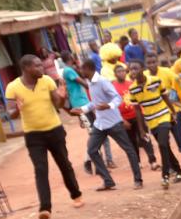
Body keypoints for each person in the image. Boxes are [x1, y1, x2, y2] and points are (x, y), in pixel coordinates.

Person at [5, 55, 83, 219]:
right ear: (27, 68)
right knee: (40, 170)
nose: (42, 69)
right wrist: (17, 109)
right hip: (33, 135)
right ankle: (45, 208)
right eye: (38, 66)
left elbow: (57, 105)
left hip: (54, 130)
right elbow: (10, 113)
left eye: (41, 65)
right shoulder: (13, 87)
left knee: (64, 164)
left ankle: (76, 194)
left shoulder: (47, 80)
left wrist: (62, 97)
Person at [76, 59, 143, 191]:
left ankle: (138, 180)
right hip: (100, 124)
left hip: (114, 123)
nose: (80, 71)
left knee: (129, 149)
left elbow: (117, 98)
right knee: (92, 150)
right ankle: (108, 181)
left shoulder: (102, 81)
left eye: (82, 69)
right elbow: (95, 103)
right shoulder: (89, 82)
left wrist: (108, 105)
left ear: (89, 69)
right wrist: (82, 110)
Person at [128, 59, 181, 189]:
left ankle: (165, 175)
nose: (133, 71)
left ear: (142, 69)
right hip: (151, 121)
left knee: (162, 144)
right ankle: (179, 171)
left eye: (135, 68)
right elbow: (137, 110)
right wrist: (141, 130)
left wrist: (173, 112)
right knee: (165, 147)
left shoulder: (155, 80)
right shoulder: (133, 89)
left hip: (164, 116)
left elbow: (165, 97)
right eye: (131, 69)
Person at [61, 52, 115, 173]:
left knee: (96, 132)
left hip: (83, 104)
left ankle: (94, 162)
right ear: (71, 57)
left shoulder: (69, 70)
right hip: (81, 105)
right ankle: (94, 164)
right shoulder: (68, 71)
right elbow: (84, 83)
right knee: (96, 134)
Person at [145, 51, 181, 175]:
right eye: (148, 63)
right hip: (158, 116)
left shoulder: (166, 72)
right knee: (164, 143)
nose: (151, 65)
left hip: (173, 112)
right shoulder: (145, 77)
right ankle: (173, 166)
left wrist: (174, 97)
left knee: (179, 138)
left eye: (153, 62)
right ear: (146, 64)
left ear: (157, 62)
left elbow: (179, 82)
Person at [111, 64, 159, 171]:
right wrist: (122, 120)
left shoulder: (131, 84)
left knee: (145, 137)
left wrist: (143, 114)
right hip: (124, 119)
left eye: (123, 71)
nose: (122, 73)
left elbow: (139, 100)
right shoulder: (112, 87)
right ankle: (137, 162)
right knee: (132, 141)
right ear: (115, 74)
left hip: (137, 116)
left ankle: (153, 161)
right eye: (119, 71)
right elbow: (112, 106)